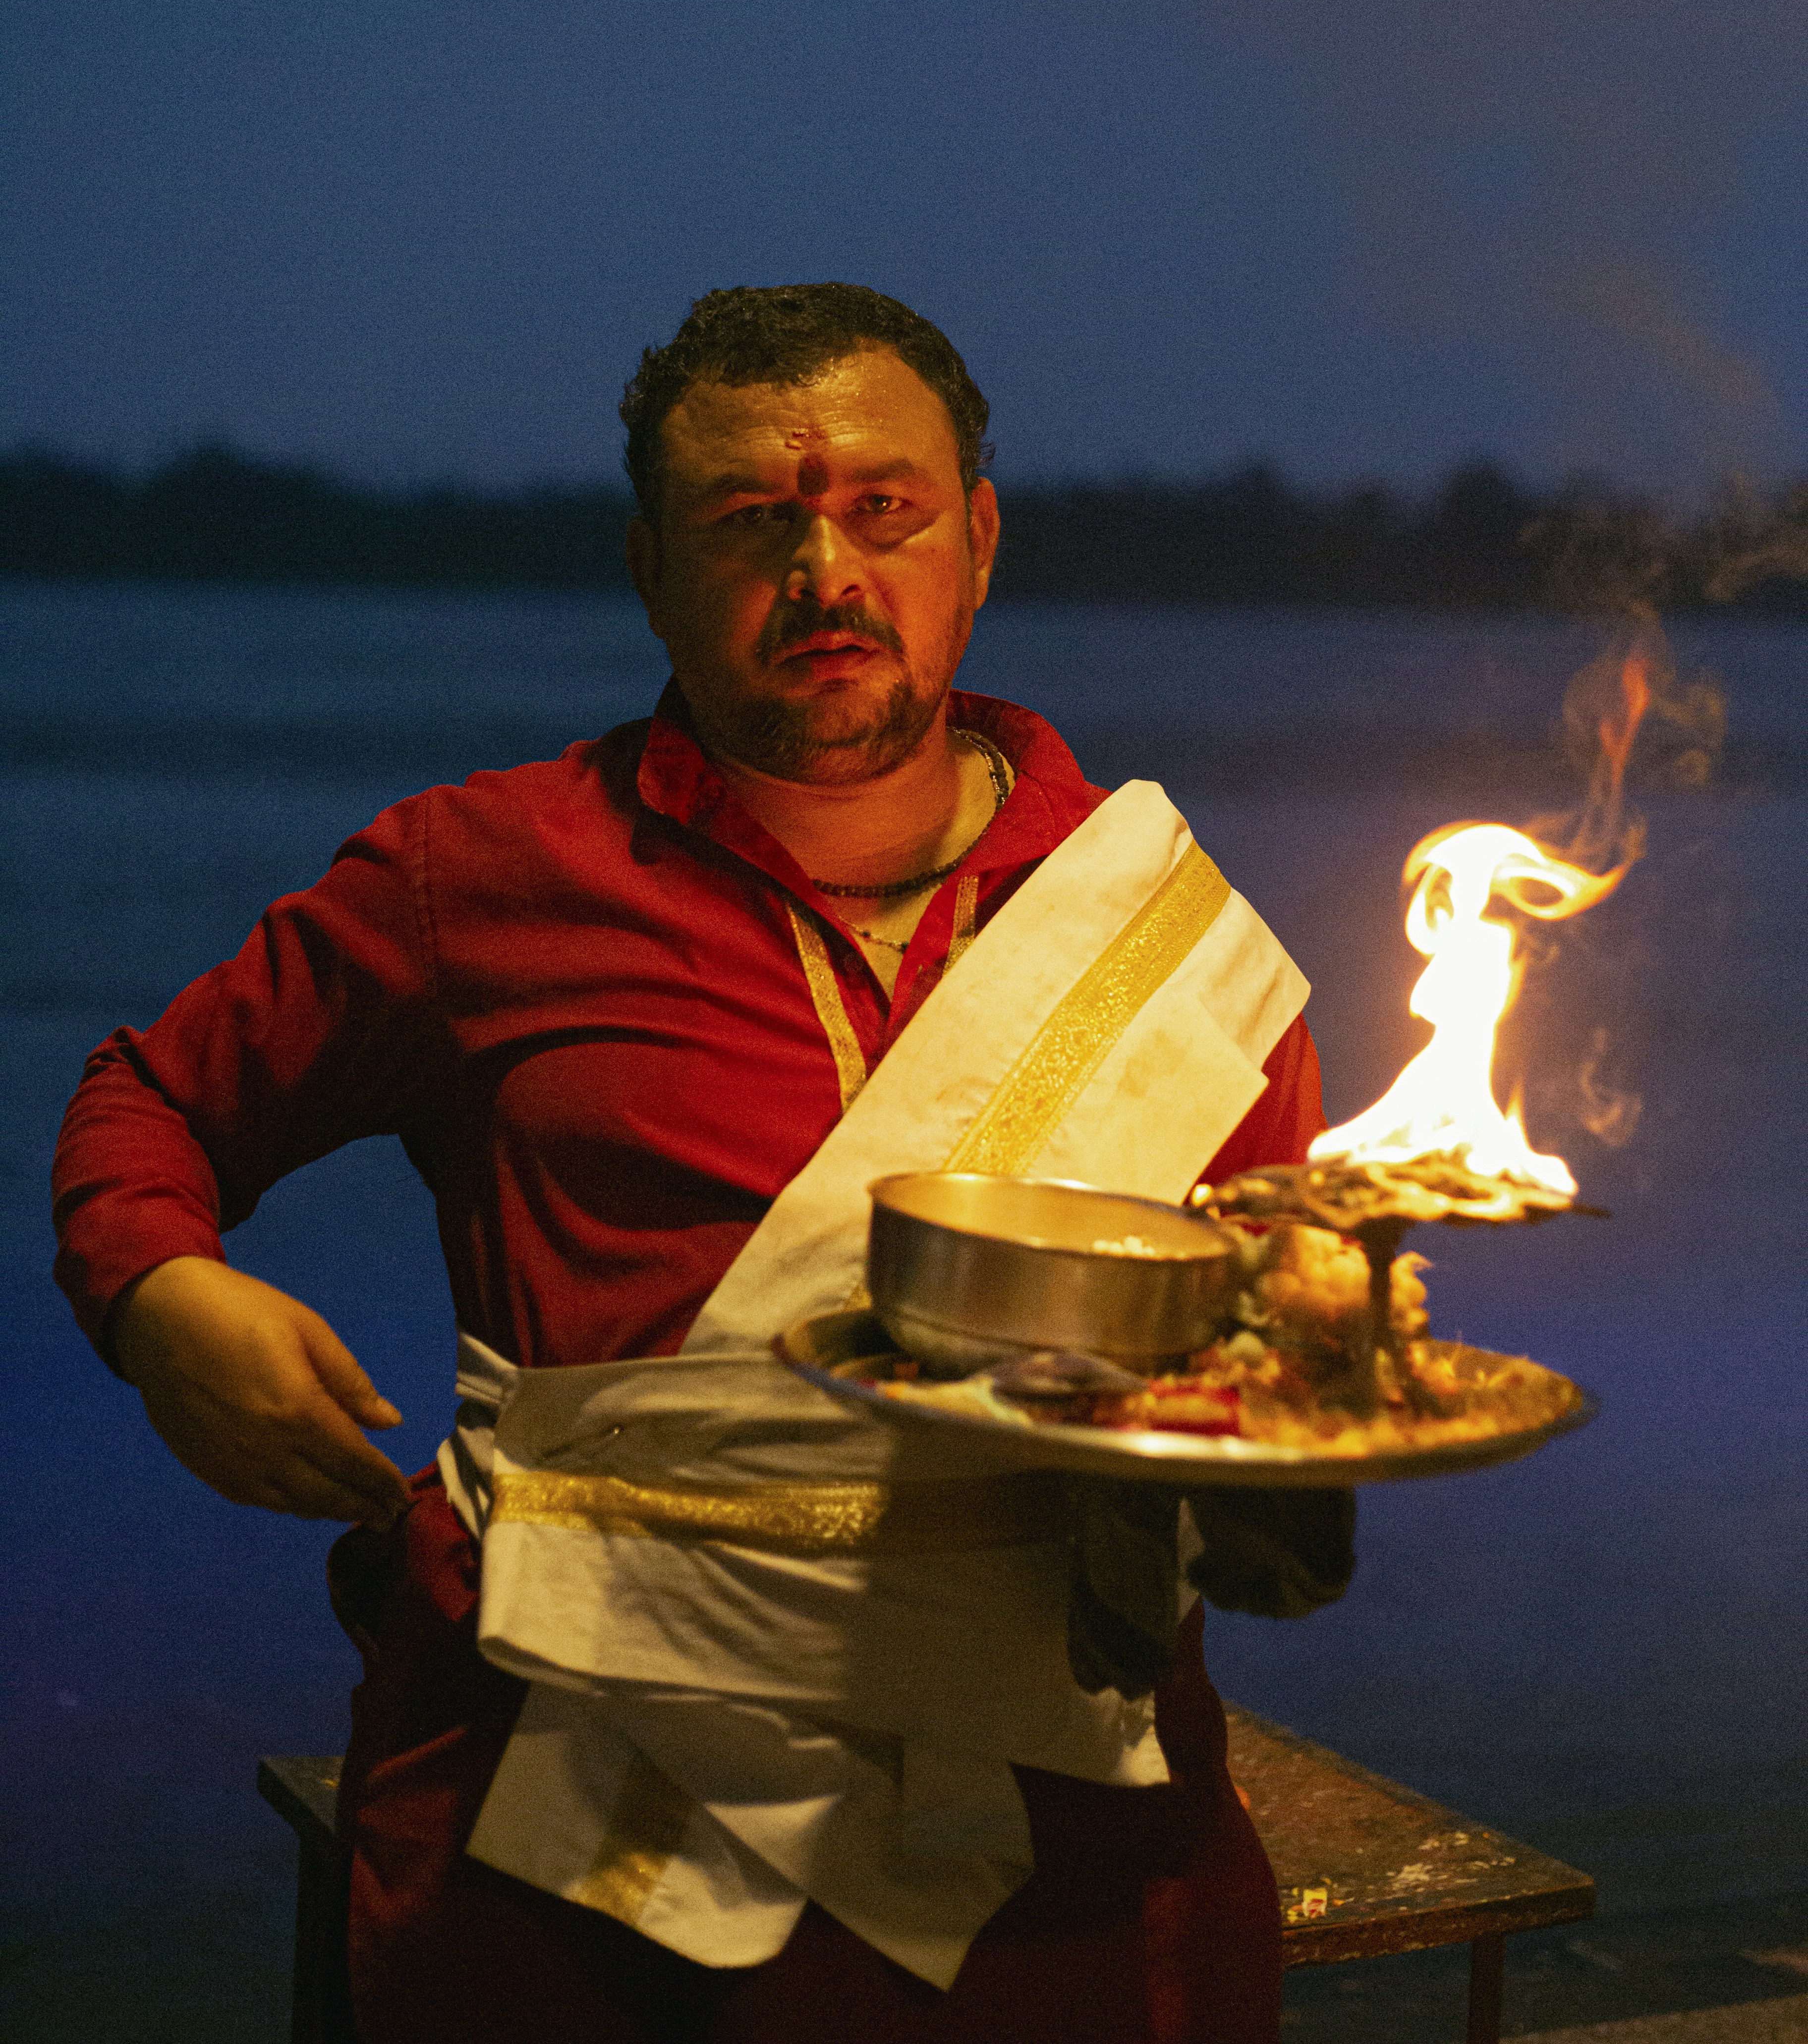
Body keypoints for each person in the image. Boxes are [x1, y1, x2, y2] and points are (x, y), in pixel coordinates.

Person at [54, 283, 1342, 2044]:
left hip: (1064, 1845)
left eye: (882, 509)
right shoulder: (479, 878)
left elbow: (1275, 1371)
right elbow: (152, 1102)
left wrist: (1294, 1464)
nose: (826, 569)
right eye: (752, 522)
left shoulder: (1174, 959)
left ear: (976, 540)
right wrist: (159, 1293)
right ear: (651, 571)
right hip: (564, 1827)